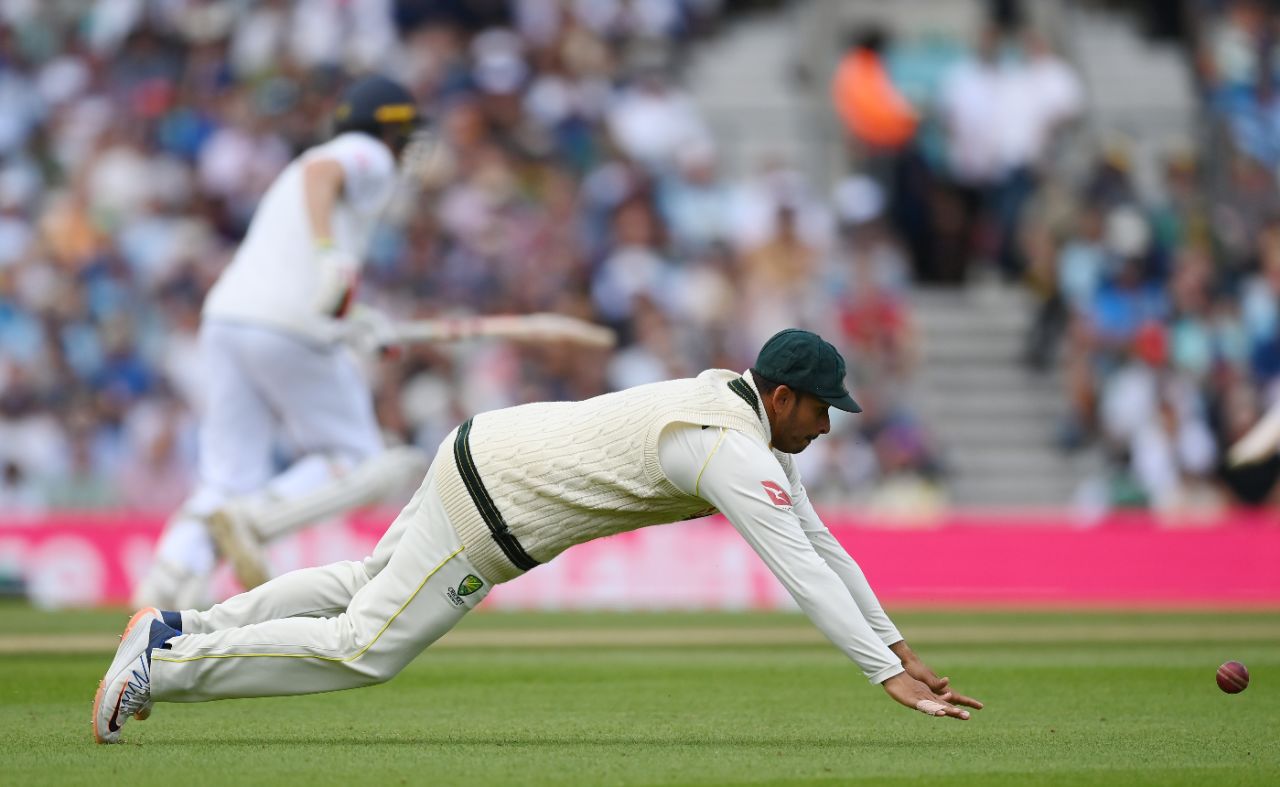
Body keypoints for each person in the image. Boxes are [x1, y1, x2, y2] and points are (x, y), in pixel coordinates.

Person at [93, 329, 983, 744]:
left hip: (483, 447)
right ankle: (161, 670)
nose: (829, 428)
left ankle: (177, 629)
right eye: (823, 409)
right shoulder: (728, 448)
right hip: (499, 504)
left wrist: (899, 647)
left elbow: (826, 547)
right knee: (366, 647)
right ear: (783, 397)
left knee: (365, 581)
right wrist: (882, 677)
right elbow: (799, 571)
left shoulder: (739, 414)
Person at [131, 74, 433, 612]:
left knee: (228, 475)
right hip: (287, 326)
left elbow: (312, 270)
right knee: (362, 459)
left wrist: (357, 318)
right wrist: (329, 256)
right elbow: (326, 172)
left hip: (226, 319)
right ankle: (258, 519)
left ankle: (169, 575)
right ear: (390, 130)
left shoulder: (310, 172)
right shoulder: (365, 153)